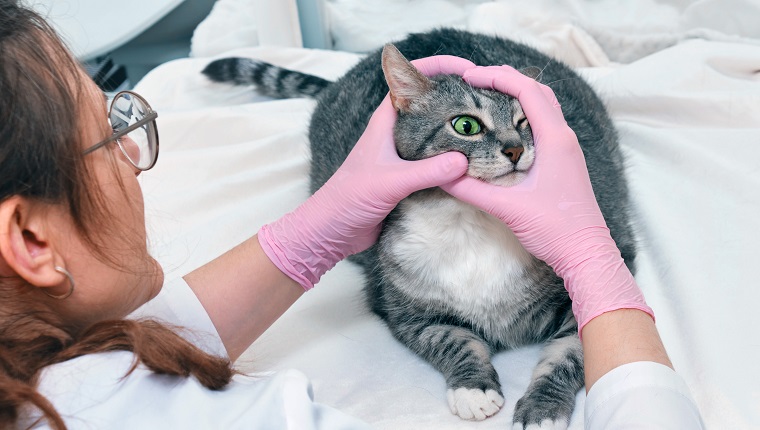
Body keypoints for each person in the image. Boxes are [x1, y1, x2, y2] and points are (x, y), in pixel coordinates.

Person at [0, 2, 703, 429]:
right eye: (111, 131)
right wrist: (590, 258)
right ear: (31, 239)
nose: (134, 153)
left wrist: (319, 229)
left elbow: (126, 357)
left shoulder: (42, 376)